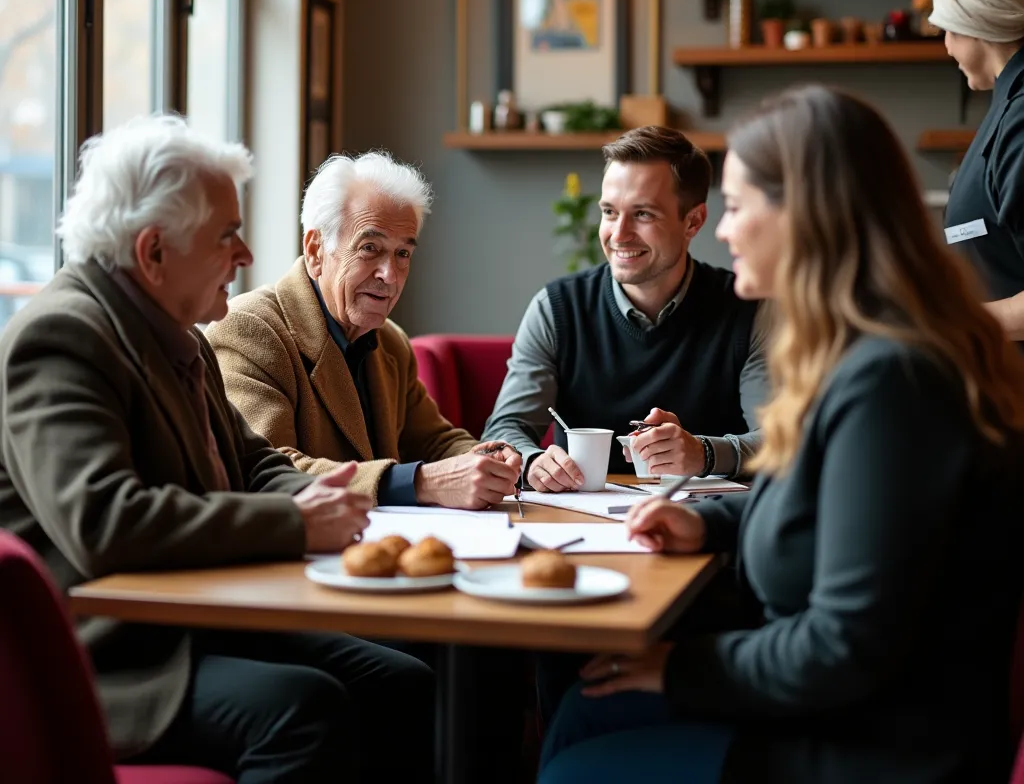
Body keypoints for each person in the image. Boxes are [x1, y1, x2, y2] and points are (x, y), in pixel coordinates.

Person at [538, 86, 1024, 784]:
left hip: (875, 751)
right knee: (587, 709)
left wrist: (679, 666)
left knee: (575, 756)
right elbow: (840, 502)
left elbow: (844, 645)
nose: (725, 232)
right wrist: (710, 522)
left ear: (805, 216)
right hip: (845, 712)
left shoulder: (895, 380)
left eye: (736, 208)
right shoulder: (869, 351)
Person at [0, 116, 434, 783]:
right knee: (303, 711)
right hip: (111, 656)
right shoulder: (62, 337)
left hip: (194, 622)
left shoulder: (181, 332)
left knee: (401, 679)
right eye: (226, 235)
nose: (247, 255)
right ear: (153, 252)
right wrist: (295, 523)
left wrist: (314, 499)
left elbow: (252, 460)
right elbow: (106, 522)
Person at [207, 150, 521, 508]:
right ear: (315, 250)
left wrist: (489, 459)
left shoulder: (391, 341)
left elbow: (434, 441)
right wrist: (416, 483)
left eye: (403, 254)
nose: (390, 275)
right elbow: (268, 471)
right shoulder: (248, 330)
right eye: (370, 248)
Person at [484, 125, 767, 491]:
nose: (619, 234)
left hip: (712, 525)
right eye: (609, 212)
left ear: (693, 221)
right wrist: (534, 460)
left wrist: (704, 454)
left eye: (643, 214)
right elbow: (504, 428)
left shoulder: (748, 309)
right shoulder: (556, 309)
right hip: (580, 525)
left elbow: (782, 439)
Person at [928, 0, 1024, 338]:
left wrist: (952, 325)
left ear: (978, 21)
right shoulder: (1008, 105)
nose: (946, 46)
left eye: (949, 29)